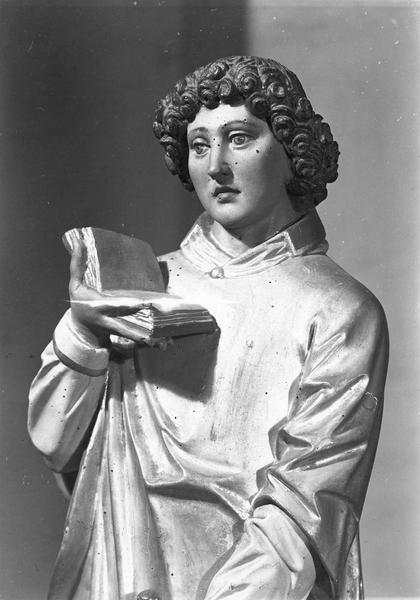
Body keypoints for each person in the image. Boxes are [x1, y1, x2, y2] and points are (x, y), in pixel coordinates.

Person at [28, 56, 388, 600]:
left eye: (239, 138)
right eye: (199, 146)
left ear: (292, 152)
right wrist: (82, 335)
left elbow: (306, 505)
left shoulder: (340, 308)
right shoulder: (142, 284)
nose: (217, 165)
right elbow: (53, 442)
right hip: (119, 575)